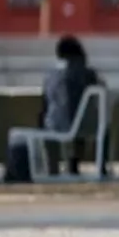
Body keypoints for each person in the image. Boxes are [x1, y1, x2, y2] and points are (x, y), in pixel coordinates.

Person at [40, 34, 106, 175]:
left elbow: (46, 101)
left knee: (45, 121)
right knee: (99, 124)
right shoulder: (89, 74)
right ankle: (79, 164)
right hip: (86, 126)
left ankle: (52, 166)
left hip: (56, 125)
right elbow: (102, 91)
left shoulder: (51, 75)